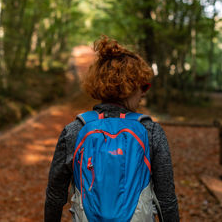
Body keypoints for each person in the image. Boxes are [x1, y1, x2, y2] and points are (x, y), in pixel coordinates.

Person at [44, 36, 179, 221]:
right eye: (144, 86)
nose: (144, 94)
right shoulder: (151, 131)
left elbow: (55, 196)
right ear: (131, 87)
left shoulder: (74, 130)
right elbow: (166, 200)